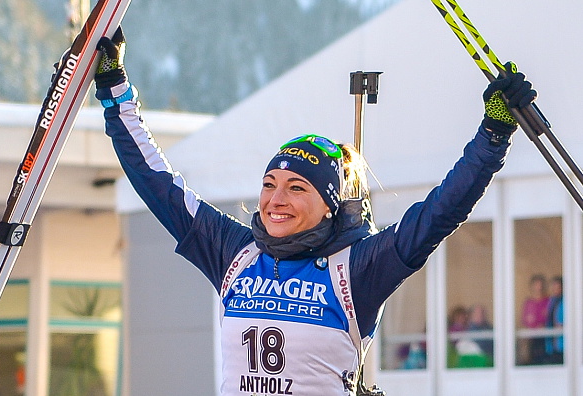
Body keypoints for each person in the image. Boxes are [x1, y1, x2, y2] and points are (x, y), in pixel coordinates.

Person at [93, 28, 536, 395]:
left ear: (329, 205)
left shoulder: (358, 266)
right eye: (269, 185)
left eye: (296, 188)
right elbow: (157, 182)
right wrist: (115, 91)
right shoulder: (235, 253)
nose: (275, 200)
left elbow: (441, 211)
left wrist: (493, 132)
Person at [520, 273, 549, 365]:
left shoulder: (548, 301)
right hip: (531, 339)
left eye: (540, 285)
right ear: (532, 286)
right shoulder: (528, 303)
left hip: (546, 338)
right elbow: (525, 321)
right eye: (536, 285)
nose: (538, 287)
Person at [545, 276, 564, 364]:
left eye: (558, 287)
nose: (556, 289)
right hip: (552, 342)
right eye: (554, 287)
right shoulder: (551, 301)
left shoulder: (567, 301)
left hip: (563, 342)